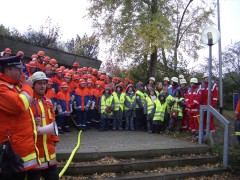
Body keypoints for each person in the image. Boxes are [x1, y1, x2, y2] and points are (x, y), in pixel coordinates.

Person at [0, 56, 39, 180]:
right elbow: (20, 105)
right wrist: (27, 87)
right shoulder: (2, 87)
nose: (22, 72)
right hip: (11, 151)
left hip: (18, 148)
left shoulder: (13, 86)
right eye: (18, 69)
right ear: (7, 70)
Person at [28, 71, 59, 180]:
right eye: (39, 83)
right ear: (33, 84)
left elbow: (53, 121)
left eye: (44, 83)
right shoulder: (28, 101)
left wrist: (55, 138)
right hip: (35, 152)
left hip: (50, 152)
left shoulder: (48, 101)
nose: (42, 86)